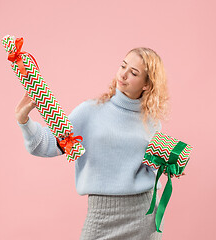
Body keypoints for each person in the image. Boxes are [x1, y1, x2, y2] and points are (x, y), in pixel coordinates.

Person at [15, 47, 177, 239]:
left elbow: (151, 168)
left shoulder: (151, 121)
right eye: (123, 66)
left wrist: (170, 166)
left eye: (133, 73)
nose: (123, 75)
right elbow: (45, 145)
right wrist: (23, 119)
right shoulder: (90, 111)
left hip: (144, 215)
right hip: (101, 215)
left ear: (146, 85)